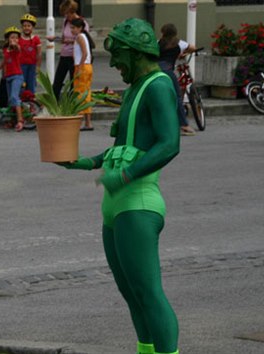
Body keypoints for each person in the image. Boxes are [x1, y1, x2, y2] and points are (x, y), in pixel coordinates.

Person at [57, 18, 180, 354]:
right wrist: (86, 162)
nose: (112, 64)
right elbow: (124, 146)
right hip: (116, 205)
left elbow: (169, 144)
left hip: (137, 202)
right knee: (132, 294)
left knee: (149, 293)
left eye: (117, 56)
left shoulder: (158, 84)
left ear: (134, 52)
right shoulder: (135, 88)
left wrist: (125, 176)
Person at [157, 24, 197, 136]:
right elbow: (193, 48)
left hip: (154, 72)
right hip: (168, 72)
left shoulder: (158, 43)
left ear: (162, 32)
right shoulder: (179, 43)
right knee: (177, 97)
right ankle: (184, 125)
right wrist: (183, 53)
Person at [45, 0, 89, 99]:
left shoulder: (82, 23)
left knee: (73, 82)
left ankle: (71, 104)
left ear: (73, 12)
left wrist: (69, 41)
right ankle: (55, 103)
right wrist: (55, 39)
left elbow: (82, 40)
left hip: (74, 57)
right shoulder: (66, 22)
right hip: (64, 55)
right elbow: (64, 38)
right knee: (57, 81)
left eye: (67, 14)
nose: (66, 16)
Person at [0, 26, 24, 132]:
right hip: (8, 77)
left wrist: (15, 45)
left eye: (16, 38)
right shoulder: (6, 49)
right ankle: (12, 119)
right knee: (10, 100)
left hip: (17, 76)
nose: (14, 40)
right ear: (7, 39)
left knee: (14, 97)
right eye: (12, 38)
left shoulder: (16, 49)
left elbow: (17, 48)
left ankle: (20, 120)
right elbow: (4, 61)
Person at [70, 17, 94, 131]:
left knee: (80, 94)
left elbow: (84, 53)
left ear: (80, 28)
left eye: (73, 27)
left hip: (82, 67)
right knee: (86, 93)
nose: (71, 30)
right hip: (87, 66)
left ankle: (82, 121)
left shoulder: (80, 37)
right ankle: (87, 122)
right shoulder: (82, 36)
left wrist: (79, 67)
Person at [18, 13, 42, 94]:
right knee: (21, 85)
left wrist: (38, 67)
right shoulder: (19, 39)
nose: (26, 28)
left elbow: (39, 54)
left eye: (29, 26)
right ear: (22, 27)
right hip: (21, 66)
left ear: (32, 27)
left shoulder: (36, 39)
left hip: (32, 66)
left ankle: (31, 103)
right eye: (24, 26)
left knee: (31, 85)